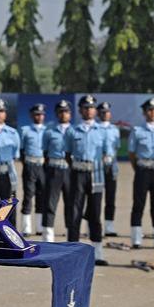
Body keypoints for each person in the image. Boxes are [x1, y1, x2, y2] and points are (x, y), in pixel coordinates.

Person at [65, 95, 109, 266]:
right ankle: (71, 251)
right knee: (75, 211)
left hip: (96, 173)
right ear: (80, 110)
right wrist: (79, 167)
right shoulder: (73, 131)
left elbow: (106, 153)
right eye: (85, 107)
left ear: (95, 110)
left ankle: (97, 252)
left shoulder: (102, 131)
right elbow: (68, 154)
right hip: (78, 173)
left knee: (95, 213)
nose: (89, 110)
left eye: (91, 107)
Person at [128, 98, 154, 249]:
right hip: (142, 170)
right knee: (138, 205)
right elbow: (132, 154)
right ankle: (136, 239)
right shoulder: (137, 131)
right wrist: (138, 168)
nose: (152, 112)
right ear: (144, 113)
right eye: (149, 110)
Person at [41, 100, 73, 242]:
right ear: (56, 114)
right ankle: (48, 236)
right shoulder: (49, 131)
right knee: (50, 203)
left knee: (71, 203)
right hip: (54, 169)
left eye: (66, 111)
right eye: (60, 111)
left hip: (70, 170)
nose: (63, 114)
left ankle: (70, 234)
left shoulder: (75, 131)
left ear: (70, 114)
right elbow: (45, 152)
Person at [20, 104, 47, 236]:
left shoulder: (47, 131)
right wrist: (27, 164)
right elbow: (21, 150)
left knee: (42, 195)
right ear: (32, 116)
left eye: (41, 114)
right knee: (28, 195)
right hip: (30, 165)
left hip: (42, 165)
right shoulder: (25, 130)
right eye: (37, 114)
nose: (39, 116)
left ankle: (40, 227)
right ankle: (26, 228)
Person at [97, 102, 121, 236]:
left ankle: (109, 226)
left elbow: (116, 148)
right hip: (98, 166)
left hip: (111, 165)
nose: (106, 114)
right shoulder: (95, 128)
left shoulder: (114, 129)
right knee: (96, 197)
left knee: (111, 197)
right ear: (99, 114)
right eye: (103, 112)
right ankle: (93, 225)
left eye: (107, 112)